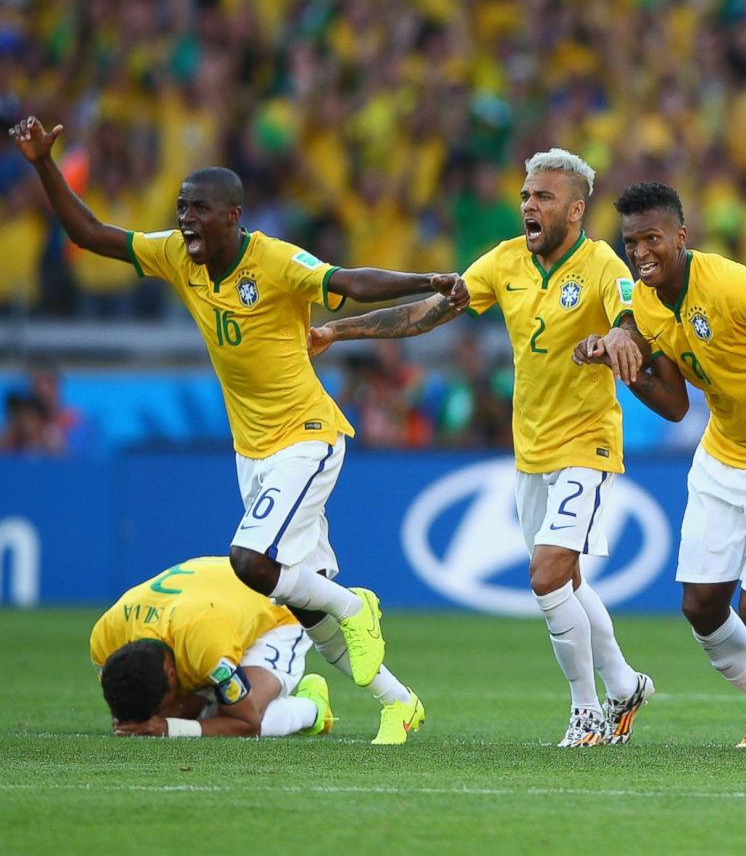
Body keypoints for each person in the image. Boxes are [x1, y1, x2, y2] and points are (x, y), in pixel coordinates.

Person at [11, 116, 456, 744]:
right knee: (304, 599)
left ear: (234, 216)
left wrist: (430, 279)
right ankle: (399, 702)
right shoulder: (176, 256)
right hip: (253, 452)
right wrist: (42, 164)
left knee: (251, 562)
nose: (187, 218)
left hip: (307, 436)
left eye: (200, 209)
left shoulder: (273, 260)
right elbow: (89, 233)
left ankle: (358, 607)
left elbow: (349, 283)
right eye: (182, 208)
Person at [309, 149, 654, 747]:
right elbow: (428, 312)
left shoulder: (602, 264)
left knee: (547, 578)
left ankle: (587, 712)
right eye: (525, 194)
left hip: (586, 444)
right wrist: (339, 330)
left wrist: (619, 338)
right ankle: (623, 684)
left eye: (543, 197)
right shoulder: (505, 261)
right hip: (532, 450)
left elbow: (630, 317)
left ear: (575, 209)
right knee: (566, 583)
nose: (528, 204)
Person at [575, 181, 746, 749]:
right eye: (631, 243)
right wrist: (620, 365)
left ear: (680, 236)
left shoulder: (730, 284)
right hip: (722, 460)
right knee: (700, 606)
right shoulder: (644, 303)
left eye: (652, 239)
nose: (641, 253)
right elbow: (674, 405)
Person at [90, 556, 333, 738]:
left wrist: (167, 726)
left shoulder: (209, 650)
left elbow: (247, 724)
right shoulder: (105, 639)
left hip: (276, 614)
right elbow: (127, 701)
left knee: (243, 713)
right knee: (190, 713)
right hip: (216, 603)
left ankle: (314, 710)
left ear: (172, 675)